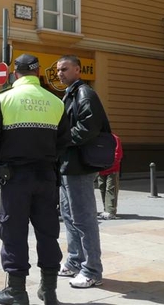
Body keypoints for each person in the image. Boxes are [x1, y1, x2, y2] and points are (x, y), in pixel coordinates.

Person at [0, 54, 71, 305]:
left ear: (16, 73)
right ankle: (49, 291)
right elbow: (64, 141)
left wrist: (0, 161)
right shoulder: (56, 101)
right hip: (46, 177)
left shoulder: (3, 98)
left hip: (15, 177)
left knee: (13, 232)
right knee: (47, 232)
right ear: (37, 73)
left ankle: (17, 292)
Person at [56, 54, 111, 289]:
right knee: (69, 217)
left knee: (84, 218)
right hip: (68, 165)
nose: (60, 73)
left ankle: (92, 270)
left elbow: (89, 127)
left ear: (78, 70)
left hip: (79, 165)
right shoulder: (70, 93)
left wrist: (61, 140)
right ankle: (75, 261)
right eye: (58, 70)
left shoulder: (84, 94)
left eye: (65, 69)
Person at [97, 133, 123, 220]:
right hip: (101, 169)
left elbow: (118, 154)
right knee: (103, 188)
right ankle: (106, 209)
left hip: (112, 169)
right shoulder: (98, 138)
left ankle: (111, 211)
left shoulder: (114, 138)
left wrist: (109, 164)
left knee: (111, 189)